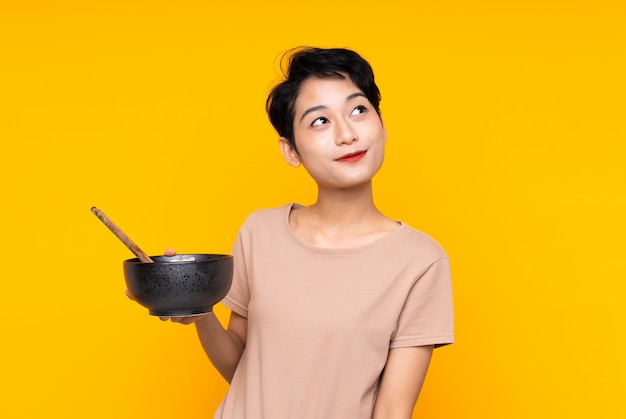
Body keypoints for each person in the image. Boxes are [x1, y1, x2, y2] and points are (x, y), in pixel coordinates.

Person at [150, 47, 454, 419]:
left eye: (358, 110)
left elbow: (393, 409)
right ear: (290, 150)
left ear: (382, 125)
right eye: (319, 121)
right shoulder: (258, 233)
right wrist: (198, 307)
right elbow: (243, 370)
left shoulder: (421, 261)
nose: (346, 134)